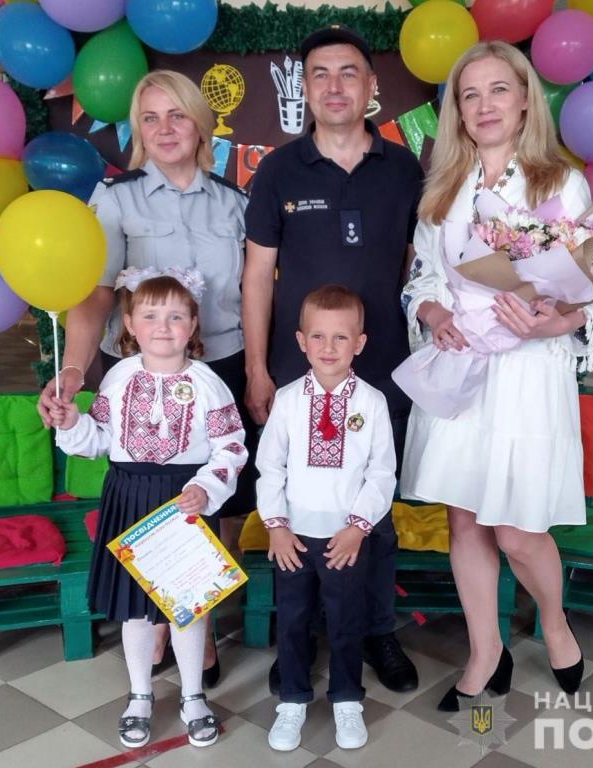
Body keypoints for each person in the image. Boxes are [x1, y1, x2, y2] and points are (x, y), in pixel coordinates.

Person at [399, 41, 593, 712]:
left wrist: (556, 323)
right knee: (465, 522)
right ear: (457, 111)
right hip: (461, 363)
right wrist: (432, 311)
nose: (484, 104)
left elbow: (592, 289)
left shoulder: (559, 182)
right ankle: (485, 650)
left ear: (524, 101)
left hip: (527, 370)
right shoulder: (443, 186)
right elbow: (422, 278)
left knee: (517, 529)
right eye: (470, 94)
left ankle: (554, 622)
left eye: (498, 90)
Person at [37, 69, 256, 686]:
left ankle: (196, 622)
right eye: (151, 118)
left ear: (201, 124)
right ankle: (157, 619)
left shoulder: (236, 202)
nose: (165, 129)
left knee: (215, 502)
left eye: (177, 115)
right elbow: (96, 294)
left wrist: (259, 370)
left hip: (219, 365)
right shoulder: (116, 198)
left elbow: (255, 294)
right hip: (140, 371)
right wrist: (73, 369)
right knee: (147, 496)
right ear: (138, 130)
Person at [244, 25, 422, 693]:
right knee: (294, 502)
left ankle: (375, 630)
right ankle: (300, 637)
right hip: (298, 373)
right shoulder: (279, 170)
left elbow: (419, 268)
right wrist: (259, 370)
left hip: (382, 372)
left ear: (371, 86)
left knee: (372, 508)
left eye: (349, 72)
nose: (334, 85)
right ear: (305, 88)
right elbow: (257, 277)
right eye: (319, 73)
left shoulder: (404, 170)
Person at [47, 269, 248, 748]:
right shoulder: (118, 377)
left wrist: (206, 488)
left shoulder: (208, 383)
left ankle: (193, 696)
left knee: (187, 609)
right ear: (130, 324)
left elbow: (231, 447)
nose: (163, 326)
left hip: (186, 504)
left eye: (176, 316)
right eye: (151, 315)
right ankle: (140, 695)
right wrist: (72, 423)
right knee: (135, 611)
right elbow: (98, 440)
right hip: (129, 499)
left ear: (193, 325)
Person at [256, 285, 396, 751]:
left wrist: (358, 527)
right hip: (293, 538)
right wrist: (276, 525)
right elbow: (270, 467)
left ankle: (347, 699)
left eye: (341, 337)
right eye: (318, 336)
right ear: (301, 341)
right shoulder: (288, 400)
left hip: (345, 539)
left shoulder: (372, 403)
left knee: (346, 620)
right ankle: (292, 700)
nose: (329, 347)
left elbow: (381, 472)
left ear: (359, 343)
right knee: (293, 620)